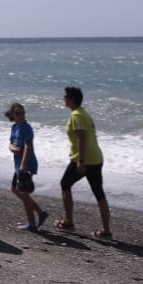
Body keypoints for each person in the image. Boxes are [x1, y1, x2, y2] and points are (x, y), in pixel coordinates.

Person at [56, 86, 112, 239]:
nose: (64, 99)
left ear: (72, 99)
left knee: (65, 184)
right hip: (95, 158)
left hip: (84, 159)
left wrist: (80, 161)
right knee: (99, 193)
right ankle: (106, 230)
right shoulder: (83, 113)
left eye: (66, 96)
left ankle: (68, 221)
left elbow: (82, 137)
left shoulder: (76, 115)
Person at [5, 102, 48, 231]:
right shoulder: (14, 128)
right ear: (13, 115)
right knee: (15, 189)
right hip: (18, 165)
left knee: (24, 193)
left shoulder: (26, 128)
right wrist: (12, 148)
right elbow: (11, 144)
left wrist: (23, 164)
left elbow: (28, 147)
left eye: (22, 113)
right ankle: (40, 213)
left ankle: (32, 224)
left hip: (26, 164)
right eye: (17, 113)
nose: (21, 116)